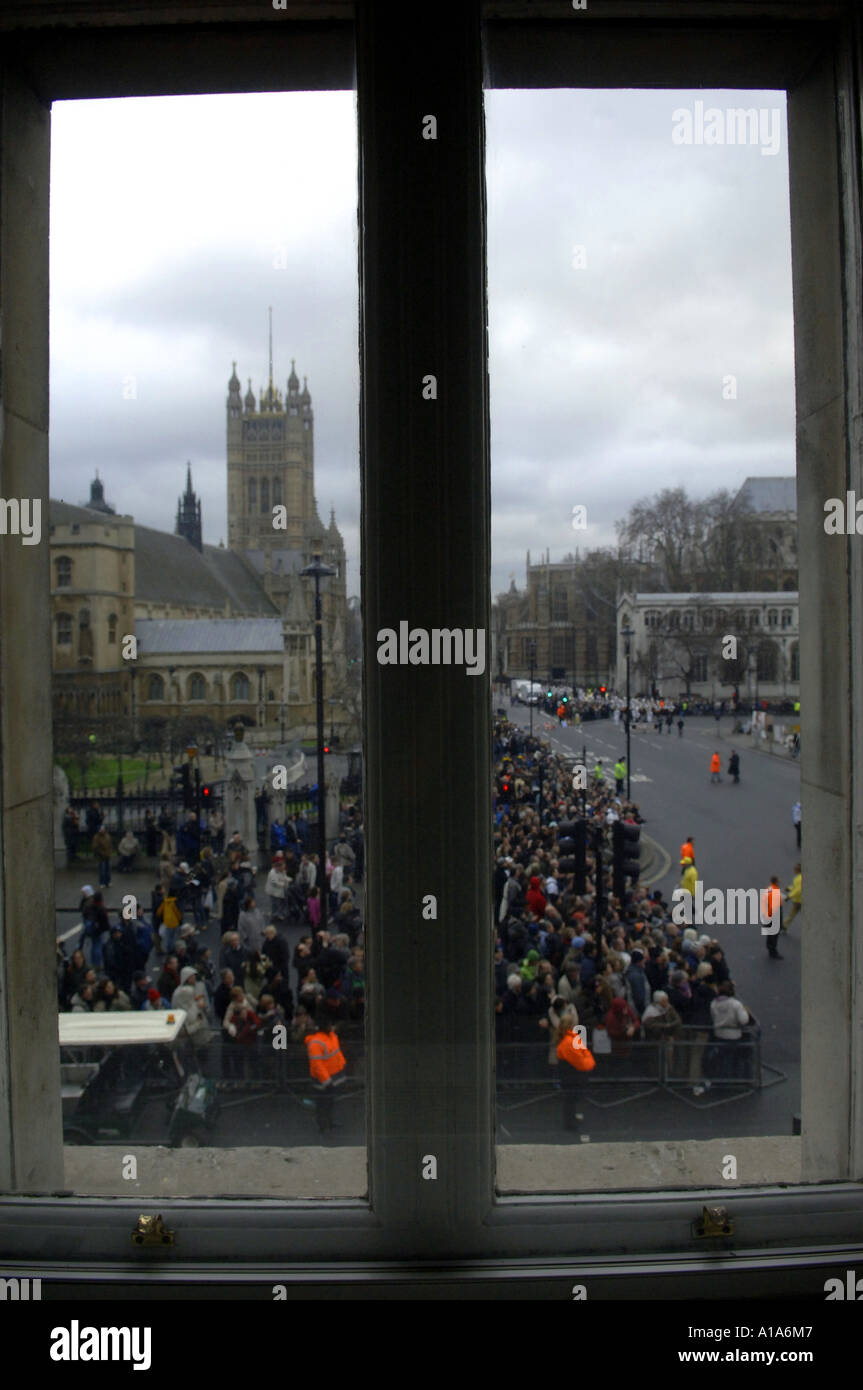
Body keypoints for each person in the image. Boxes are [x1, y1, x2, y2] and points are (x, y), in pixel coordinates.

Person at [303, 1017, 347, 1134]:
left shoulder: (330, 1036)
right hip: (324, 1080)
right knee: (322, 1103)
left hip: (333, 1076)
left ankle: (329, 1122)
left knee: (330, 1101)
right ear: (325, 1028)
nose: (332, 1027)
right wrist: (327, 1081)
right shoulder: (316, 1043)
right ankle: (322, 1125)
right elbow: (317, 1065)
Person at [761, 877, 784, 958]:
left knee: (770, 934)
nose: (779, 882)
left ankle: (770, 948)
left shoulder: (769, 888)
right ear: (776, 882)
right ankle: (773, 951)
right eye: (778, 881)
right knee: (774, 934)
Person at [784, 864, 802, 928]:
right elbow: (796, 888)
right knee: (792, 913)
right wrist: (789, 888)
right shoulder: (798, 877)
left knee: (792, 913)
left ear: (797, 870)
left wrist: (789, 896)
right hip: (798, 900)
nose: (793, 870)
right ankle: (784, 925)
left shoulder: (799, 879)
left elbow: (798, 890)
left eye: (795, 869)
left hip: (799, 901)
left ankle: (784, 925)